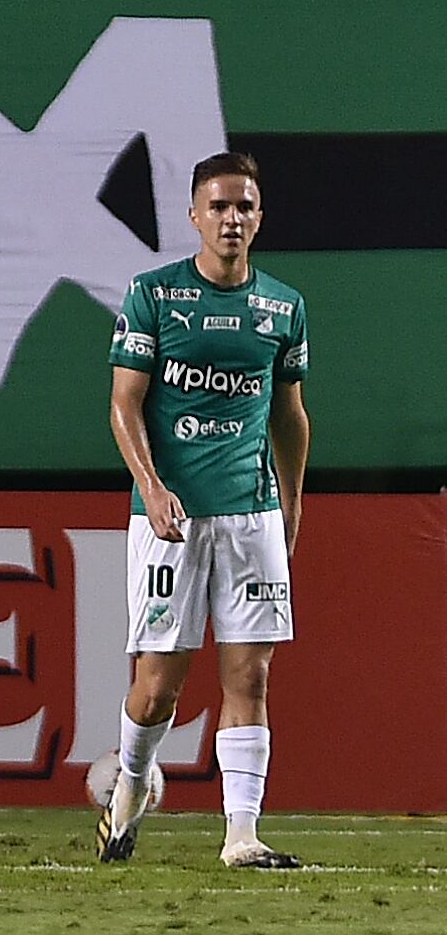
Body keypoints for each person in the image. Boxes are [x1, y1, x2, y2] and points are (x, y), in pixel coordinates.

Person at [100, 151, 310, 868]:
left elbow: (291, 416)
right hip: (171, 519)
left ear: (259, 217)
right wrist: (152, 488)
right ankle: (130, 785)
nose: (232, 218)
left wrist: (292, 502)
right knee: (158, 689)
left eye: (244, 206)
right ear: (194, 216)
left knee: (250, 675)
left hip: (251, 515)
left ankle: (241, 835)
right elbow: (124, 404)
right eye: (219, 206)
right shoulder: (154, 297)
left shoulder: (283, 307)